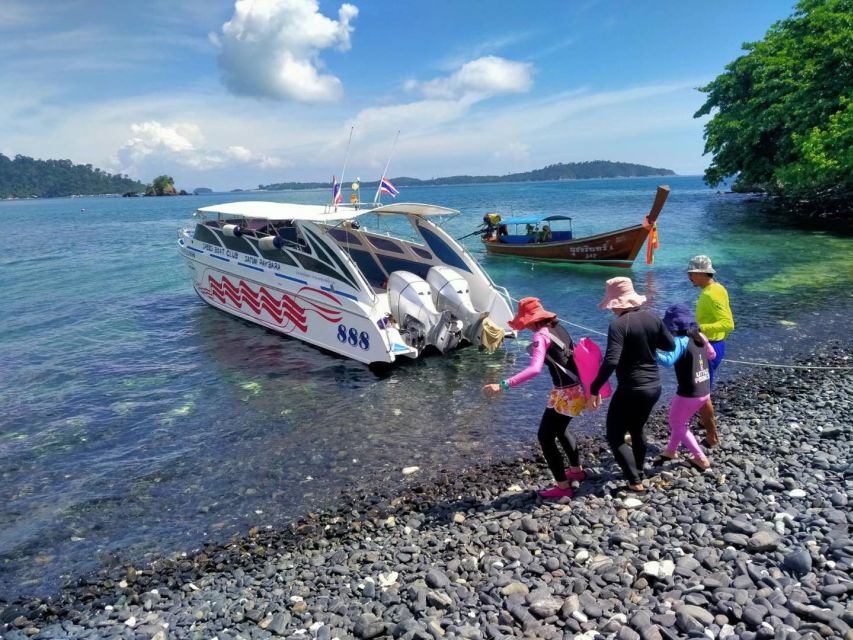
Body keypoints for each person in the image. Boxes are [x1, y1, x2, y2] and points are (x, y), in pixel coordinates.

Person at [483, 297, 586, 499]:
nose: (526, 327)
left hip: (566, 393)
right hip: (576, 389)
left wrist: (503, 384)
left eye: (525, 322)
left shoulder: (541, 336)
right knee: (561, 429)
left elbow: (534, 369)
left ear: (531, 320)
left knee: (545, 437)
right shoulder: (559, 328)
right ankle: (576, 471)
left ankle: (563, 486)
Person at [588, 277, 675, 492]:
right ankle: (640, 470)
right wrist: (647, 341)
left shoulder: (618, 325)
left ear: (615, 304)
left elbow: (611, 360)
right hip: (654, 386)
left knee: (615, 435)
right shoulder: (653, 317)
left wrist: (594, 388)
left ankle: (635, 480)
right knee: (637, 428)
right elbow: (670, 345)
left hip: (631, 388)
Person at [654, 304, 717, 471]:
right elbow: (712, 355)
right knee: (681, 422)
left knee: (676, 422)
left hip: (689, 392)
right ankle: (671, 451)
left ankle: (700, 459)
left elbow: (667, 361)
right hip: (704, 390)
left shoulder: (679, 341)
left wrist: (650, 350)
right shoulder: (700, 336)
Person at [687, 255, 734, 447]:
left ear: (700, 273)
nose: (689, 277)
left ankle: (712, 435)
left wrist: (698, 329)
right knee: (703, 387)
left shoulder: (710, 294)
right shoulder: (717, 288)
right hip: (716, 344)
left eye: (691, 274)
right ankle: (701, 421)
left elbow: (728, 323)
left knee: (701, 392)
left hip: (710, 347)